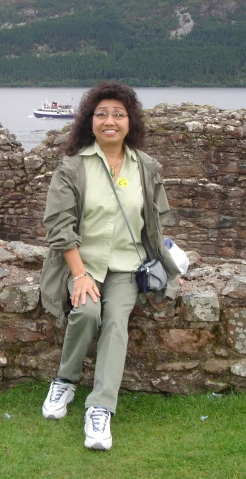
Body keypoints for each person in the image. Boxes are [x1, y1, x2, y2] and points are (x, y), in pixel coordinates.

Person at [39, 80, 182, 451]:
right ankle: (65, 380)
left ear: (129, 122)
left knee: (116, 321)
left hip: (125, 268)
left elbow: (155, 218)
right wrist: (80, 274)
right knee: (86, 313)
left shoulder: (146, 167)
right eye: (101, 113)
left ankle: (100, 408)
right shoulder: (72, 167)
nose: (110, 121)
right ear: (90, 121)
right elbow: (59, 226)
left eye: (118, 114)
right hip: (81, 263)